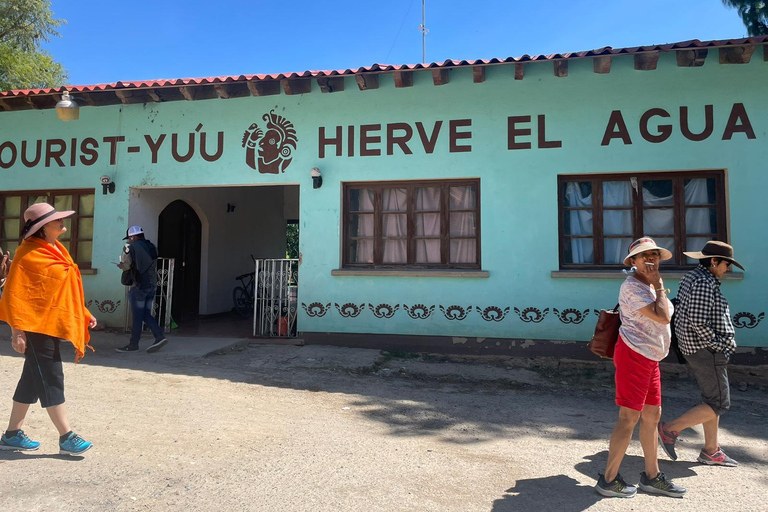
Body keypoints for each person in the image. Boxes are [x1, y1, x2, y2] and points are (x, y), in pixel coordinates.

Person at [0, 203, 95, 455]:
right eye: (57, 220)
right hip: (34, 326)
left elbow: (63, 289)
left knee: (31, 379)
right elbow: (14, 295)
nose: (63, 222)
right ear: (42, 227)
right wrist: (17, 332)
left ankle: (12, 434)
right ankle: (67, 436)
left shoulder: (57, 249)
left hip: (51, 324)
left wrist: (83, 313)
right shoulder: (27, 254)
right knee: (52, 376)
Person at [595, 237, 686, 498]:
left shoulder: (651, 285)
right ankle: (608, 480)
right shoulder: (632, 287)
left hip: (650, 358)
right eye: (644, 256)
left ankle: (652, 477)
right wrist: (659, 286)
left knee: (652, 416)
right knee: (628, 419)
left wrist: (657, 286)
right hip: (634, 356)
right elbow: (663, 316)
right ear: (632, 262)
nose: (651, 260)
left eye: (654, 255)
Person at [658, 241, 743, 467]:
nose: (728, 269)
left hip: (697, 349)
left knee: (711, 401)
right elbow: (697, 320)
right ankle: (669, 430)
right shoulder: (704, 283)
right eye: (726, 264)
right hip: (706, 352)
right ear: (714, 261)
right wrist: (716, 344)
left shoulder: (693, 277)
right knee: (719, 404)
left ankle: (711, 450)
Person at [116, 225, 168, 353]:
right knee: (145, 313)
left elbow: (127, 266)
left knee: (137, 316)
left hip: (139, 285)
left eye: (129, 238)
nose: (128, 240)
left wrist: (121, 265)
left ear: (133, 237)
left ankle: (133, 345)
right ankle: (159, 336)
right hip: (152, 284)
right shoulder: (151, 246)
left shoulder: (130, 247)